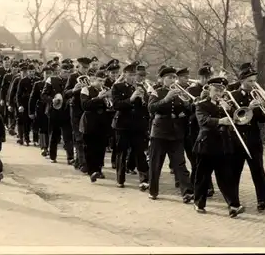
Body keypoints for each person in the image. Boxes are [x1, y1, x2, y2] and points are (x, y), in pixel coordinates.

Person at [193, 76, 244, 217]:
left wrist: (230, 109)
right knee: (203, 177)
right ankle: (199, 202)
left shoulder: (227, 104)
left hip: (223, 145)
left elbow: (238, 119)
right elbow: (203, 121)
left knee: (226, 177)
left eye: (221, 91)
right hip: (206, 145)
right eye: (216, 90)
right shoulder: (201, 104)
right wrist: (220, 119)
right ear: (209, 89)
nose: (218, 93)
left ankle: (234, 205)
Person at [230, 64, 265, 211]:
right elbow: (236, 119)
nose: (253, 84)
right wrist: (250, 108)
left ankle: (263, 200)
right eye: (250, 81)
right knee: (235, 171)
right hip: (238, 139)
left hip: (254, 138)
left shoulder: (255, 95)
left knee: (258, 169)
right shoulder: (233, 95)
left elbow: (261, 119)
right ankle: (233, 202)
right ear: (242, 81)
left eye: (254, 81)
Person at [147, 66, 193, 203]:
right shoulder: (156, 92)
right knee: (156, 164)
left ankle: (187, 192)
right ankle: (153, 190)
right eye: (169, 77)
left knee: (180, 164)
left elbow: (190, 111)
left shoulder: (181, 93)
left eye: (174, 77)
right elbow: (151, 108)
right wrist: (166, 99)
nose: (173, 80)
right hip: (159, 132)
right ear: (162, 79)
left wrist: (186, 104)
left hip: (176, 133)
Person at [111, 62, 150, 190]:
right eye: (131, 75)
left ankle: (144, 179)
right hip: (122, 125)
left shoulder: (141, 87)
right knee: (121, 152)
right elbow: (116, 105)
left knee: (140, 152)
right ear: (124, 75)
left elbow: (146, 109)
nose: (133, 77)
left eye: (135, 75)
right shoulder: (117, 87)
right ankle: (120, 179)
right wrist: (131, 99)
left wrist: (145, 99)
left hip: (137, 125)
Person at [186, 64, 215, 196]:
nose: (207, 80)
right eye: (204, 77)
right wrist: (201, 100)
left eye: (209, 77)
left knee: (205, 159)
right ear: (200, 77)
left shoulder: (213, 89)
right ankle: (198, 187)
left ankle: (203, 186)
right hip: (195, 128)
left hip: (209, 129)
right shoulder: (191, 90)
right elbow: (188, 110)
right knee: (196, 160)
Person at [80, 69, 112, 182]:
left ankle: (98, 169)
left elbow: (110, 107)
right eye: (99, 80)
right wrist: (98, 98)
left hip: (102, 123)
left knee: (101, 148)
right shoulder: (86, 89)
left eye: (103, 81)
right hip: (89, 122)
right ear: (93, 80)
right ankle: (91, 171)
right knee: (89, 148)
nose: (101, 83)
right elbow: (85, 105)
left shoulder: (106, 90)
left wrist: (108, 100)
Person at [64, 57, 92, 173]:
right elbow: (66, 93)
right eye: (83, 67)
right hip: (76, 110)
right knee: (79, 137)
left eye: (87, 68)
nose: (85, 70)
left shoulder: (90, 77)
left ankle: (78, 160)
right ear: (78, 66)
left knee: (86, 137)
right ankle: (82, 163)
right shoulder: (73, 77)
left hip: (87, 109)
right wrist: (74, 90)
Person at [29, 65, 53, 155]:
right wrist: (31, 112)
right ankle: (44, 147)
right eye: (46, 73)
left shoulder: (55, 84)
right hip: (41, 109)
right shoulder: (38, 84)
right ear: (43, 74)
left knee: (50, 129)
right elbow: (32, 98)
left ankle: (50, 147)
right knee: (43, 129)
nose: (48, 75)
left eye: (50, 73)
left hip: (52, 109)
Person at [15, 64, 36, 145]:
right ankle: (26, 139)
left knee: (34, 122)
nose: (31, 73)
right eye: (30, 72)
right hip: (25, 104)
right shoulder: (23, 81)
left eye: (33, 72)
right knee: (26, 122)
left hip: (34, 104)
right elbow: (18, 94)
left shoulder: (37, 80)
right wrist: (19, 105)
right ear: (27, 72)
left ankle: (35, 139)